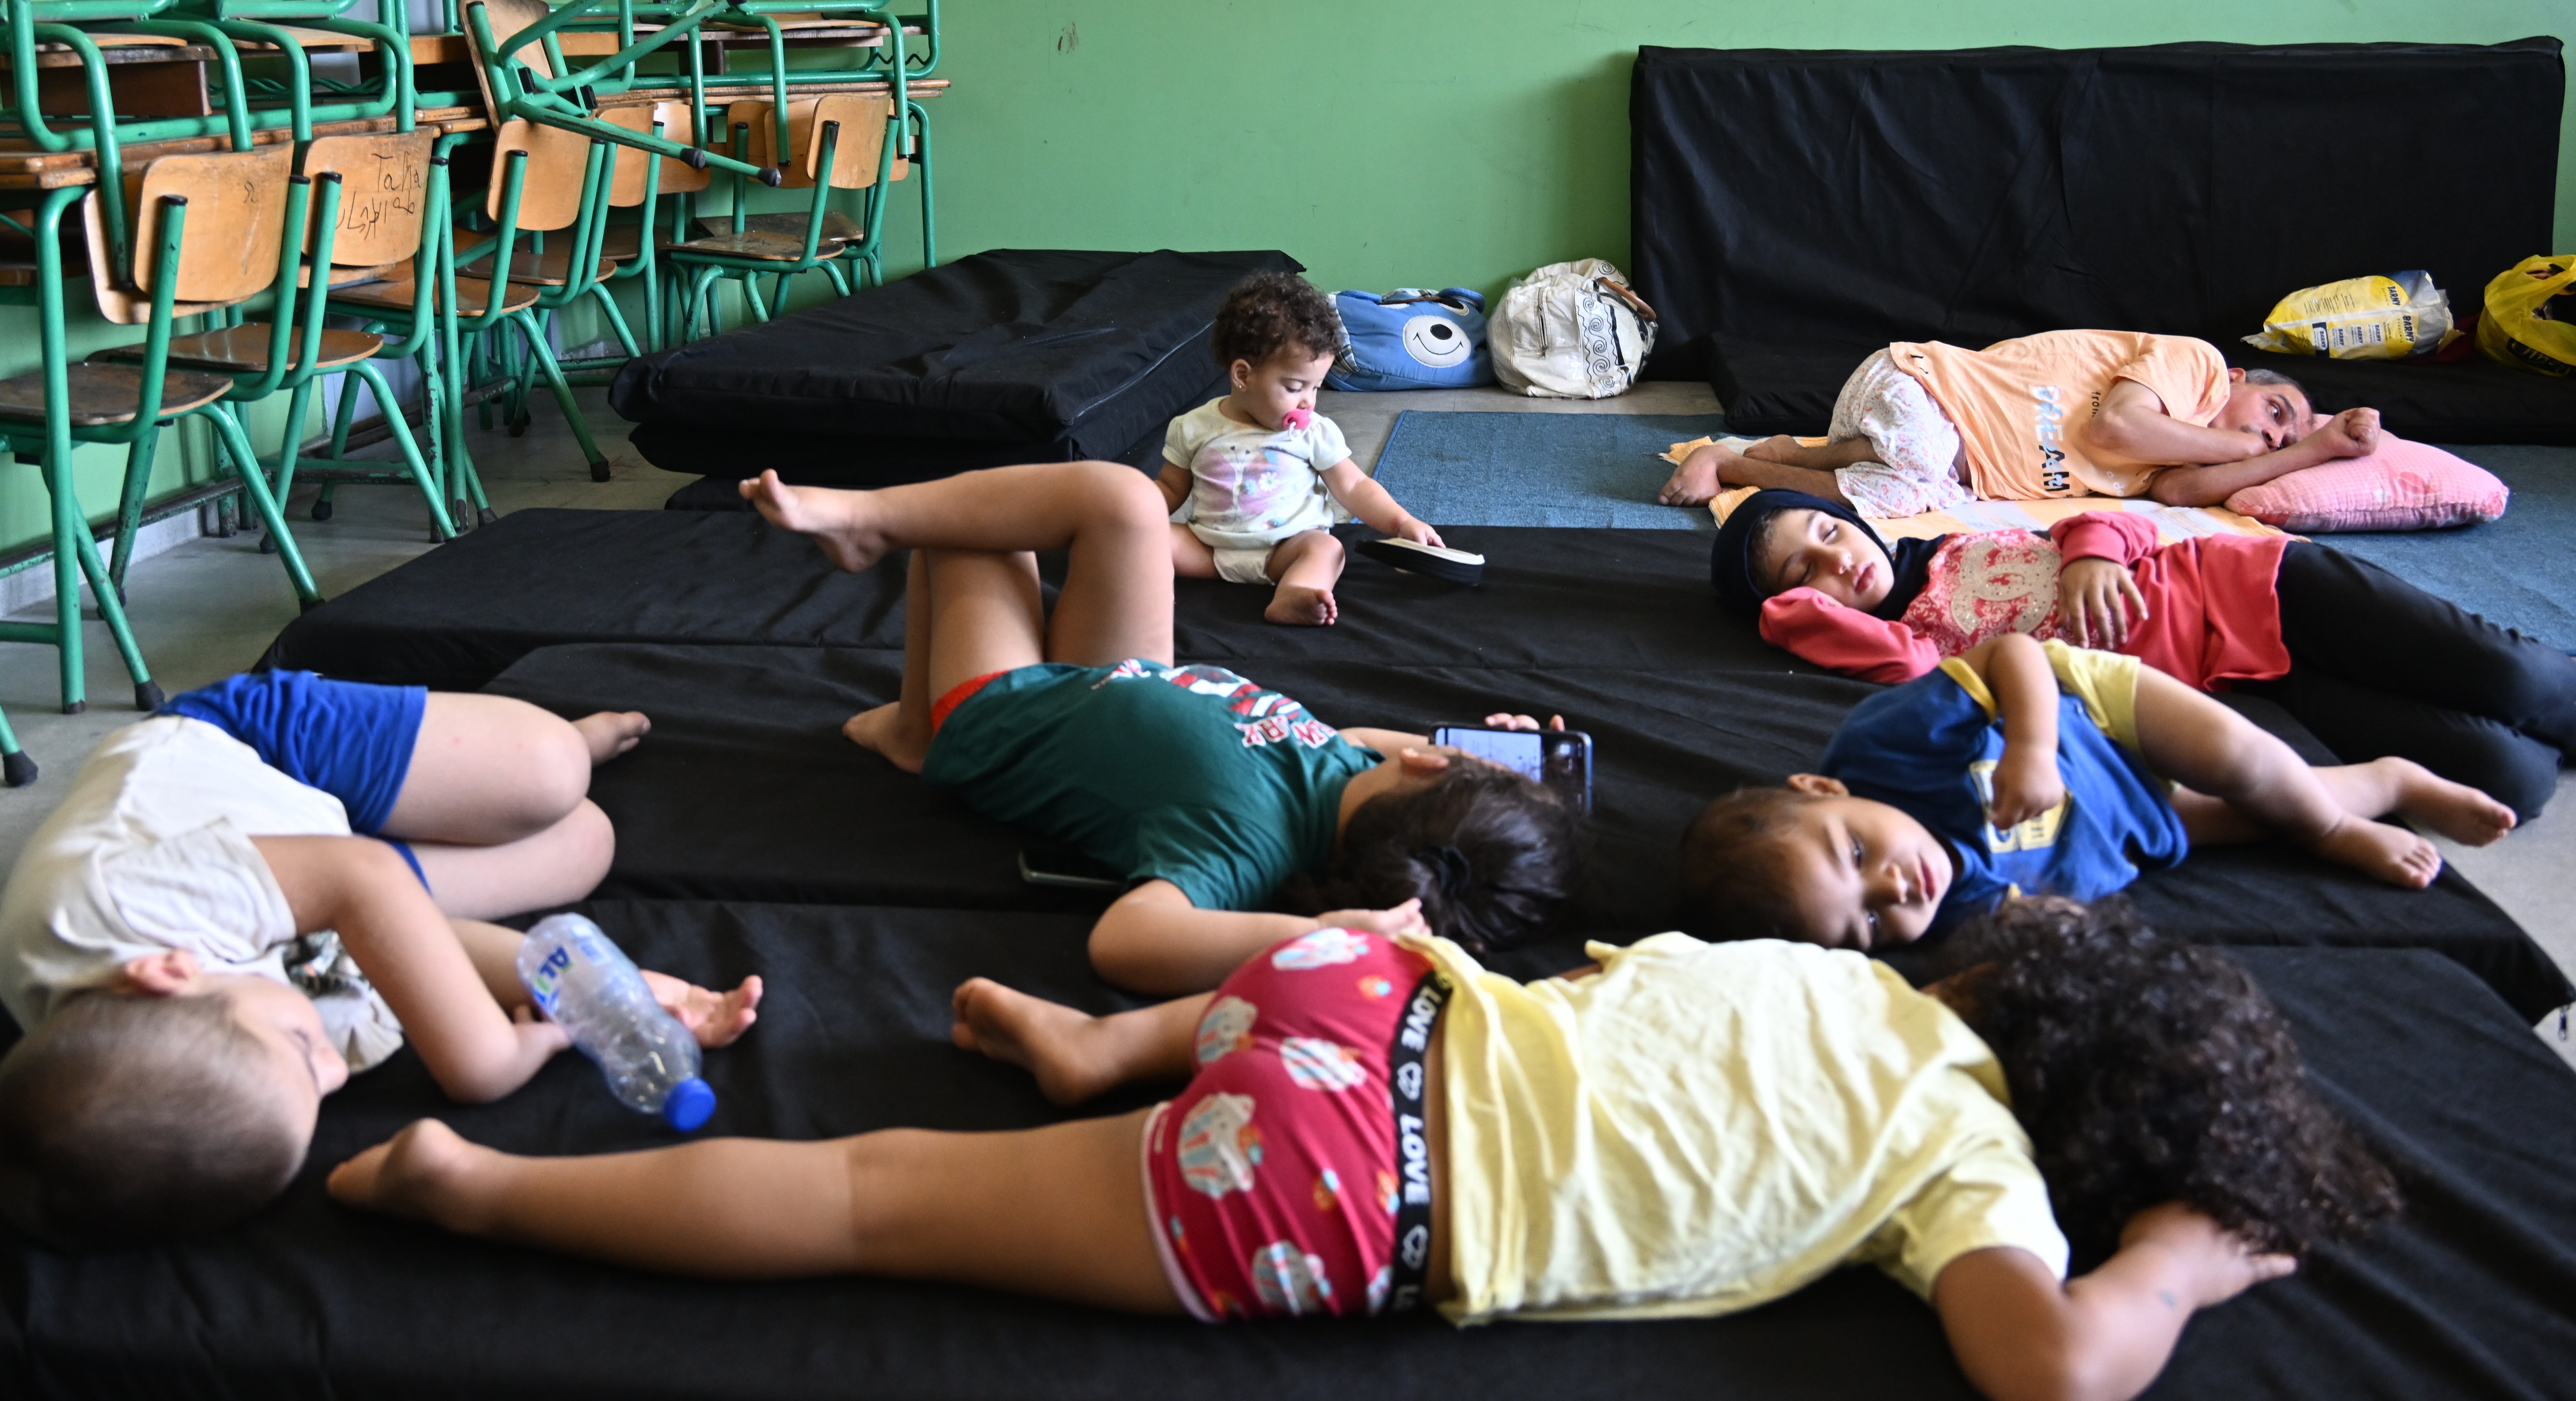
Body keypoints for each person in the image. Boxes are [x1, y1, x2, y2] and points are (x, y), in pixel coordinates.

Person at [328, 897, 2397, 1401]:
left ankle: (1102, 1036)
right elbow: (2046, 1365)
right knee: (870, 1198)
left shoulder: (1840, 976)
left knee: (1361, 971)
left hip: (1344, 992)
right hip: (1336, 1189)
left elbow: (1612, 983)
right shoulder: (1982, 1178)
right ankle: (476, 1182)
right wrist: (2179, 1266)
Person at [0, 672, 763, 1249]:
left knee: (553, 770)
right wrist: (595, 994)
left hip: (260, 754)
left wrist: (484, 1062)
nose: (329, 1063)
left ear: (168, 975)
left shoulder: (115, 907)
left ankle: (557, 739)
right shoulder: (188, 1030)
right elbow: (394, 945)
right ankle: (465, 793)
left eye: (299, 1048)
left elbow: (366, 884)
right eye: (325, 1086)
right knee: (585, 844)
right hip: (323, 876)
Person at [743, 460, 1577, 994]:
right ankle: (903, 698)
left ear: (1433, 769)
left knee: (969, 532)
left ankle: (912, 699)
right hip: (1120, 675)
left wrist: (1316, 937)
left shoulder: (1246, 845)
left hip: (1001, 715)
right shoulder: (1348, 771)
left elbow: (1128, 942)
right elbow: (1382, 743)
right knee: (1124, 501)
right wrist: (1511, 766)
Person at [1707, 485, 2576, 815]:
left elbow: (2111, 518)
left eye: (1826, 529)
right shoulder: (1913, 643)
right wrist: (1788, 614)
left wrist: (2088, 554)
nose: (1837, 558)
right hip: (2244, 688)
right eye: (1804, 572)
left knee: (2515, 673)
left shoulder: (1949, 545)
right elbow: (1903, 669)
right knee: (2508, 774)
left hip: (2254, 586)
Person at [1672, 629, 2515, 951]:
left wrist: (2031, 745)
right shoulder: (1945, 904)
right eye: (1862, 923)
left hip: (2090, 717)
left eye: (1853, 852)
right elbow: (2015, 913)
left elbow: (2012, 654)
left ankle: (2331, 829)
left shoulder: (1885, 743)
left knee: (2251, 766)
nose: (1890, 889)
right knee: (2254, 817)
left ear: (1821, 786)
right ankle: (2392, 779)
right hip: (2118, 821)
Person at [1658, 329, 2380, 516]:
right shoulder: (2195, 367)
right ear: (2240, 382)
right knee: (1910, 492)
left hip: (1921, 437)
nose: (2266, 437)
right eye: (2273, 414)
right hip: (1916, 381)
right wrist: (2239, 439)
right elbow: (2115, 431)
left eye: (2279, 438)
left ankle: (1785, 453)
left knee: (1924, 482)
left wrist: (2311, 450)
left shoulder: (2184, 459)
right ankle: (1732, 463)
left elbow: (2179, 495)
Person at [1161, 271, 1443, 625]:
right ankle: (1145, 592)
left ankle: (1296, 592)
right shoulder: (1192, 427)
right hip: (1208, 550)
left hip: (1286, 550)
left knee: (1327, 549)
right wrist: (1134, 518)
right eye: (1296, 387)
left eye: (1316, 388)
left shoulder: (1315, 433)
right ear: (1243, 376)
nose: (1309, 402)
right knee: (1146, 540)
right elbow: (1171, 489)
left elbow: (1354, 487)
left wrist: (1402, 522)